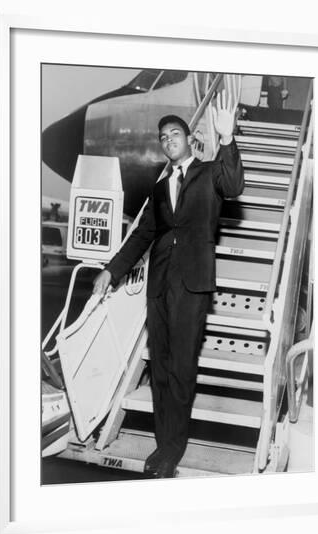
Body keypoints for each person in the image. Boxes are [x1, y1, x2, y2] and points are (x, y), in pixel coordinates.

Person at [93, 88, 245, 478]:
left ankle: (174, 448)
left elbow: (234, 187)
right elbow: (143, 235)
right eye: (163, 138)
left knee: (181, 366)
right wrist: (112, 270)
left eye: (174, 134)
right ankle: (164, 444)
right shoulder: (160, 189)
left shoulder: (211, 172)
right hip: (159, 284)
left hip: (192, 284)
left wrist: (227, 138)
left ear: (190, 139)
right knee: (159, 368)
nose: (168, 141)